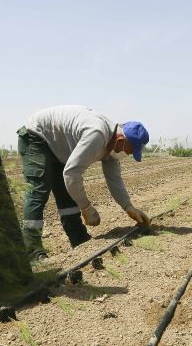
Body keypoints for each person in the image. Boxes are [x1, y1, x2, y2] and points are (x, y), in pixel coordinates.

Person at [17, 106, 151, 260]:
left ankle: (79, 238)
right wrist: (86, 207)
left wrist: (129, 207)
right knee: (39, 190)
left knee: (66, 193)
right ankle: (33, 251)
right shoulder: (97, 134)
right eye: (130, 151)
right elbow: (72, 174)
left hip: (57, 145)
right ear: (121, 140)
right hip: (36, 135)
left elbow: (114, 179)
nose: (128, 155)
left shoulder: (113, 146)